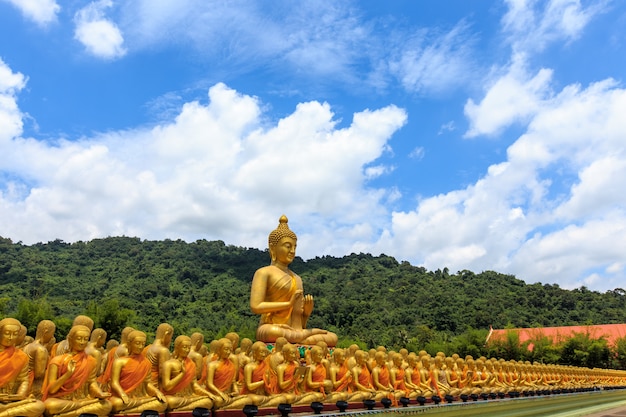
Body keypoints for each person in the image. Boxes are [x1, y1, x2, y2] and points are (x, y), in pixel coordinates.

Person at [250, 215, 338, 346]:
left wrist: (306, 314)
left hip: (292, 332)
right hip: (272, 327)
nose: (292, 251)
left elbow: (298, 324)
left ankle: (301, 338)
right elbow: (256, 306)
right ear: (273, 247)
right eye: (287, 246)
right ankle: (303, 338)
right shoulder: (263, 272)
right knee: (271, 332)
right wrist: (288, 304)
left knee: (332, 337)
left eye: (295, 247)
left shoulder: (297, 278)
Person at [42, 325, 112, 417]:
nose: (82, 342)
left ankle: (68, 414)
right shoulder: (57, 360)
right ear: (71, 340)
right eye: (79, 339)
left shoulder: (91, 360)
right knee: (49, 406)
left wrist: (99, 393)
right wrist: (67, 374)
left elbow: (91, 382)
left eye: (85, 339)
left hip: (82, 399)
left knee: (108, 405)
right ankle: (80, 411)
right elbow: (52, 390)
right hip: (61, 400)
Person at [108, 330, 167, 414]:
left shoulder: (146, 362)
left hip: (140, 398)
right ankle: (142, 410)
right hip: (122, 398)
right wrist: (122, 394)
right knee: (115, 404)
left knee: (163, 403)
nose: (140, 347)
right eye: (137, 343)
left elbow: (147, 384)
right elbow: (114, 383)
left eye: (143, 344)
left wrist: (157, 392)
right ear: (130, 344)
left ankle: (128, 410)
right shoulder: (119, 362)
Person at [0, 318, 46, 417]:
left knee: (39, 406)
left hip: (11, 399)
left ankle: (5, 413)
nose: (11, 337)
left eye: (15, 334)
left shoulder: (21, 356)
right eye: (7, 333)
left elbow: (24, 380)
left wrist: (20, 394)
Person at [161, 335, 215, 412]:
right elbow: (167, 387)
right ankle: (188, 408)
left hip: (189, 397)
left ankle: (181, 408)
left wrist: (208, 393)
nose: (187, 350)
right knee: (169, 402)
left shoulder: (191, 364)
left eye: (188, 347)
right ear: (177, 347)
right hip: (173, 397)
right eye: (184, 347)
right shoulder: (169, 364)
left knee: (208, 401)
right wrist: (182, 374)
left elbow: (194, 385)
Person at [205, 338, 254, 409]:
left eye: (230, 350)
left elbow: (233, 381)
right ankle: (226, 406)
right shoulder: (212, 365)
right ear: (219, 350)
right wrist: (220, 393)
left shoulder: (231, 365)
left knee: (248, 400)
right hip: (217, 395)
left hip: (228, 395)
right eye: (226, 349)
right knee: (217, 401)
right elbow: (209, 384)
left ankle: (224, 407)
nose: (228, 352)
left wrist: (236, 391)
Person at [23, 319, 55, 400]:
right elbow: (39, 374)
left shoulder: (28, 346)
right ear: (46, 332)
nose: (52, 336)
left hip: (25, 382)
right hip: (35, 386)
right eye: (52, 333)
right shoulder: (41, 350)